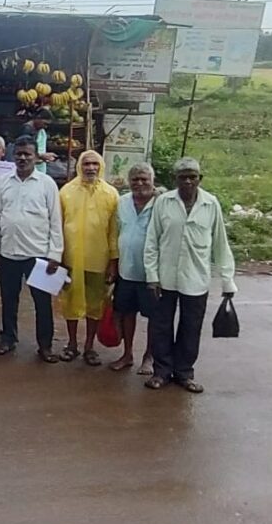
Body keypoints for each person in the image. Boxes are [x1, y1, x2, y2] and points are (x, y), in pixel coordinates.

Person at [143, 157, 236, 393]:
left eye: (192, 177)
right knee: (161, 326)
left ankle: (184, 373)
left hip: (196, 279)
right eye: (183, 177)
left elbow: (220, 245)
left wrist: (228, 280)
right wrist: (152, 276)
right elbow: (152, 241)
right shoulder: (163, 202)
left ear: (199, 179)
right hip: (165, 278)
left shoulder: (210, 204)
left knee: (191, 327)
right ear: (175, 180)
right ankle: (161, 372)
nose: (187, 181)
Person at [0, 136, 64, 362]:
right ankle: (8, 338)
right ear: (13, 156)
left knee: (42, 303)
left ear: (36, 156)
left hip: (38, 254)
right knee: (9, 300)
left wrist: (55, 254)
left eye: (27, 154)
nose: (22, 158)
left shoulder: (47, 183)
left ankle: (45, 345)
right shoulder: (3, 182)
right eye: (18, 154)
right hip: (8, 253)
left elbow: (55, 220)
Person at [57, 150, 119, 366]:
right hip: (71, 259)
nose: (90, 168)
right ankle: (72, 344)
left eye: (94, 164)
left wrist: (113, 261)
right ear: (79, 166)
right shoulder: (66, 192)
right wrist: (57, 256)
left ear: (100, 166)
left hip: (98, 260)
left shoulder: (111, 194)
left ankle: (89, 346)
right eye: (86, 164)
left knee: (96, 305)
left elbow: (113, 231)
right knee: (70, 303)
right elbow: (57, 226)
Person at [112, 163, 158, 373]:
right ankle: (127, 353)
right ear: (129, 182)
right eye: (135, 179)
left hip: (152, 274)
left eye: (144, 179)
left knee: (154, 317)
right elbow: (115, 233)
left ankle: (148, 357)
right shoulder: (121, 202)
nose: (139, 183)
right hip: (126, 270)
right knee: (126, 314)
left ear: (152, 181)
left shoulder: (161, 203)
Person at [21, 109, 57, 173]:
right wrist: (41, 156)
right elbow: (24, 150)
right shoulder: (27, 130)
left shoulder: (40, 130)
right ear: (38, 118)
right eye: (45, 123)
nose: (45, 126)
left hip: (38, 164)